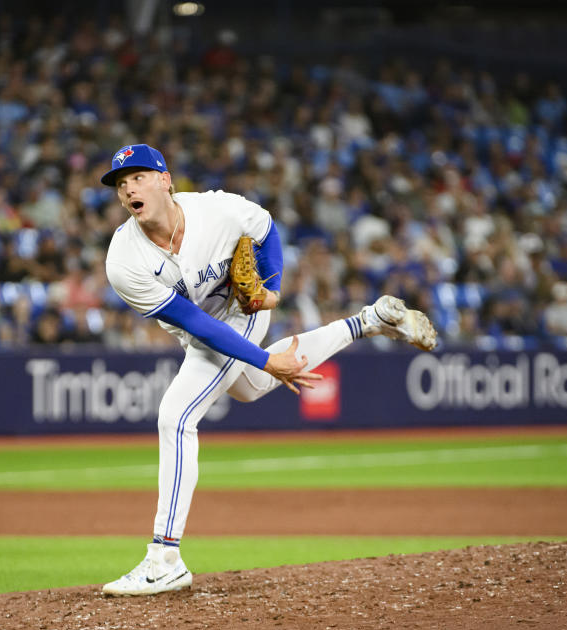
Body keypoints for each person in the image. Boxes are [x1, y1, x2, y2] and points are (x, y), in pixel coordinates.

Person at [99, 144, 438, 596]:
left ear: (165, 180)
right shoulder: (124, 260)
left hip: (244, 309)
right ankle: (370, 320)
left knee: (176, 417)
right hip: (203, 327)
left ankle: (164, 557)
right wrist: (265, 360)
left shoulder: (217, 210)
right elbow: (196, 324)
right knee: (253, 387)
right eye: (121, 185)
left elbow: (267, 228)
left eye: (137, 177)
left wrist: (270, 290)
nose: (128, 189)